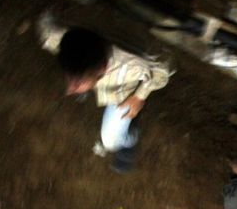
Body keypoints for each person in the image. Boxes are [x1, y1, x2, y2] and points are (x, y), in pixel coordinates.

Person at [40, 16, 172, 173]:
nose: (69, 89)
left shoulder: (136, 63)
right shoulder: (57, 35)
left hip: (122, 90)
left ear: (103, 69)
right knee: (81, 77)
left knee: (110, 141)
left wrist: (139, 96)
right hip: (101, 67)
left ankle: (130, 140)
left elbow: (163, 69)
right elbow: (47, 27)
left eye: (79, 83)